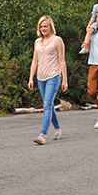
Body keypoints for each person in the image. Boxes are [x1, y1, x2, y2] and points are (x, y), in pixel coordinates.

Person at [28, 15, 68, 145]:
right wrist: (31, 78)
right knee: (49, 105)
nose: (43, 28)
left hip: (53, 76)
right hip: (41, 77)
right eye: (41, 26)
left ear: (51, 27)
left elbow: (62, 60)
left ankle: (43, 135)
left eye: (45, 26)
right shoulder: (37, 42)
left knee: (47, 105)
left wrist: (64, 79)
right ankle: (57, 129)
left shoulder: (57, 40)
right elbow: (35, 60)